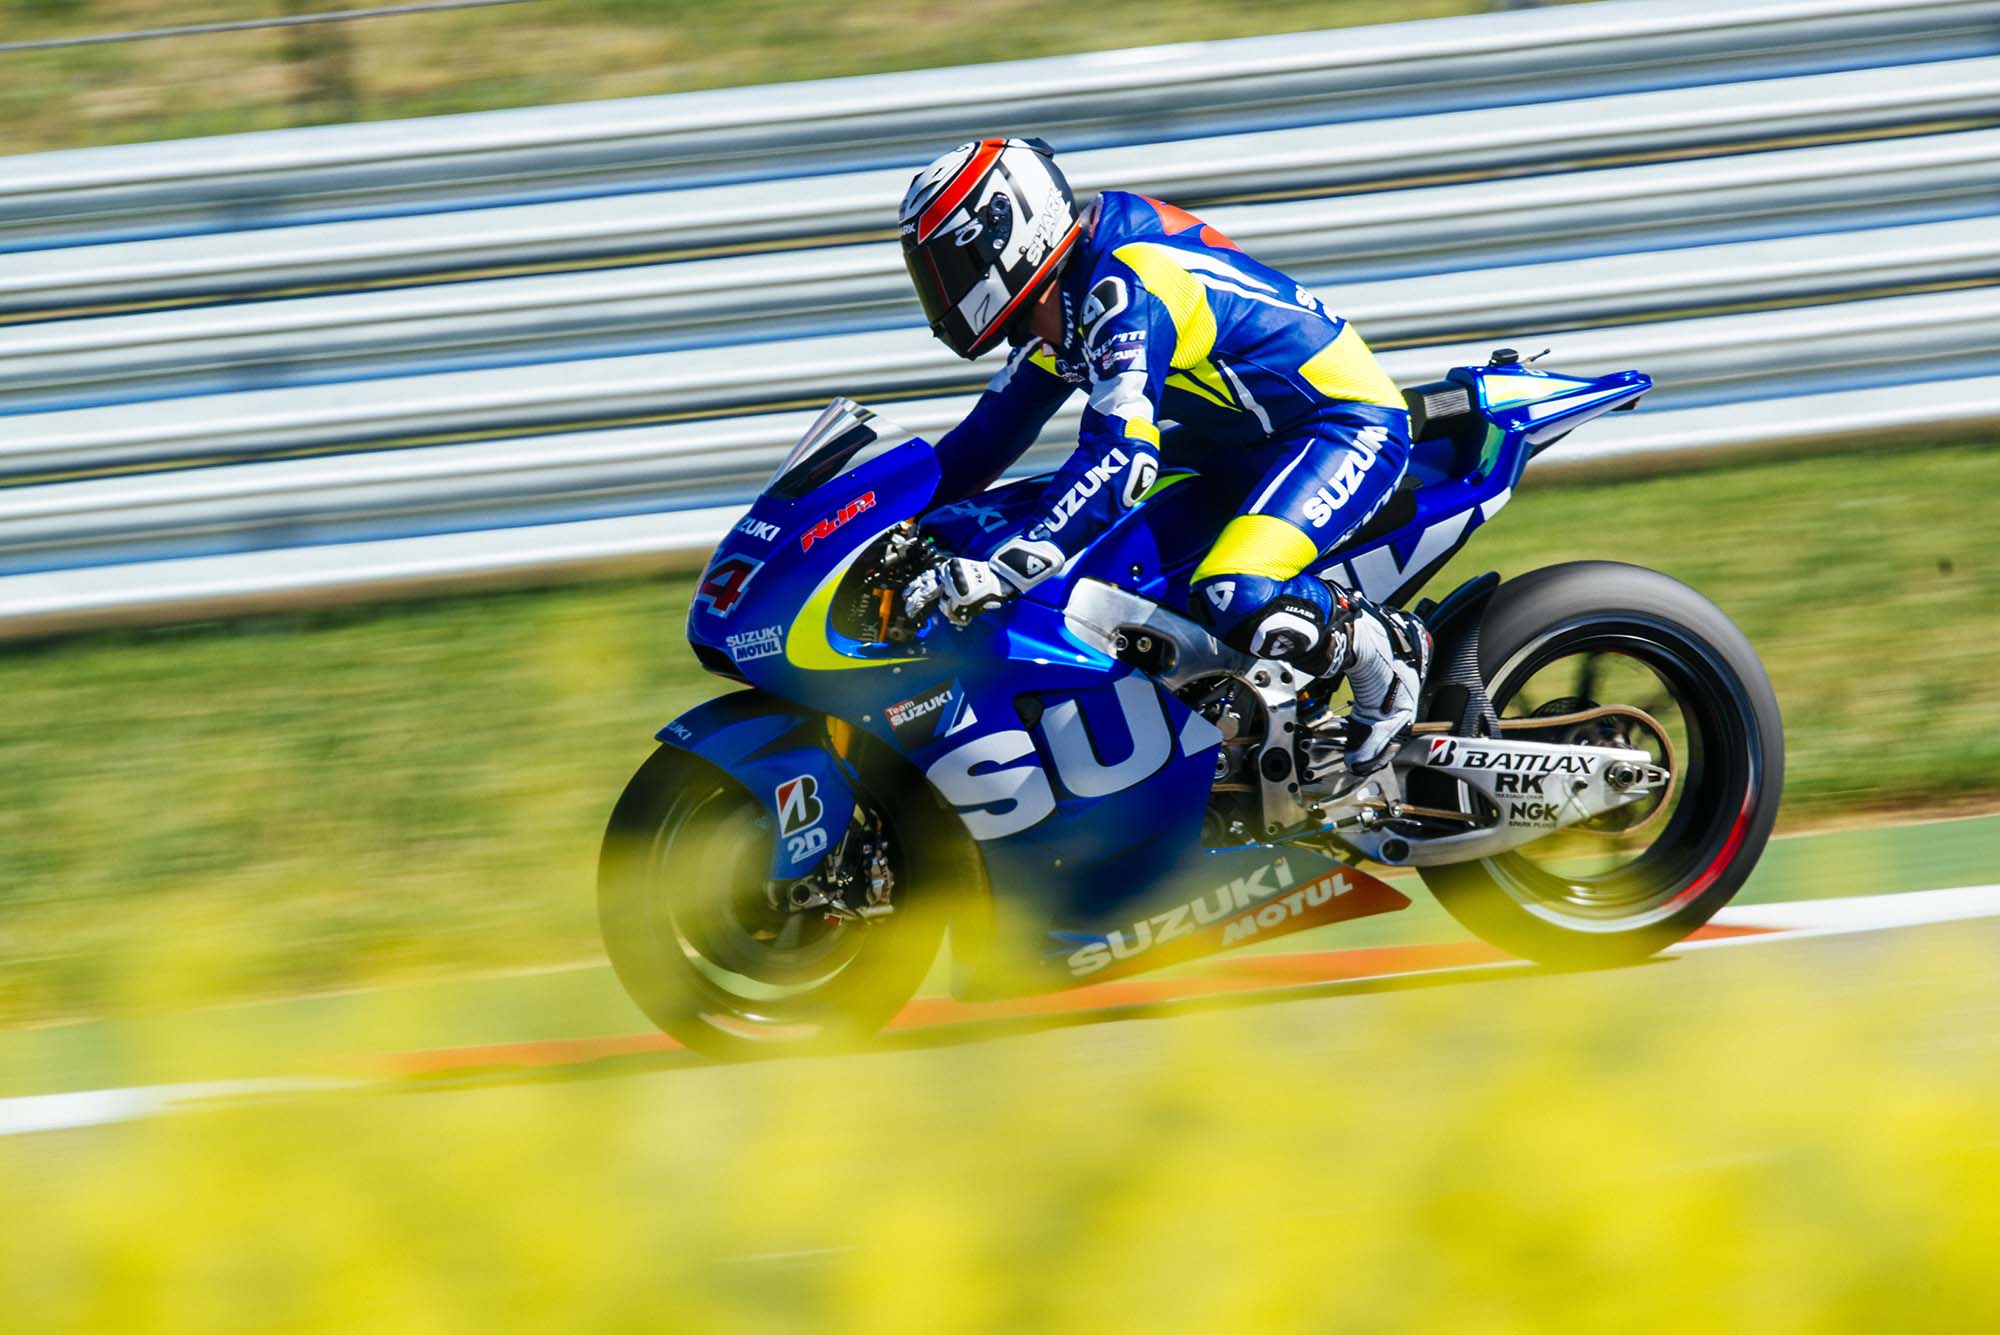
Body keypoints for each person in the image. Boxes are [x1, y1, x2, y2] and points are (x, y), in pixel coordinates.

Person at [898, 137, 1430, 771]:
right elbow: (978, 446)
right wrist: (886, 526)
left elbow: (1123, 458)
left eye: (948, 264)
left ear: (1007, 234)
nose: (939, 287)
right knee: (1100, 571)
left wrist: (1007, 569)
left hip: (1340, 427)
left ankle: (1386, 649)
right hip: (1234, 446)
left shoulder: (1123, 284)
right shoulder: (1057, 308)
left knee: (1235, 590)